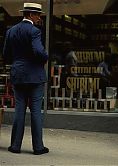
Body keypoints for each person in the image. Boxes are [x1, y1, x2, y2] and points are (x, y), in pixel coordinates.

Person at [2, 2, 49, 155]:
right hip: (35, 76)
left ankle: (15, 146)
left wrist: (17, 63)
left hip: (18, 74)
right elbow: (39, 52)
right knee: (36, 111)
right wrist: (45, 57)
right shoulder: (34, 31)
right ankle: (38, 147)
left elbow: (5, 55)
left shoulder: (11, 31)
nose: (39, 18)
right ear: (30, 15)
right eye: (38, 15)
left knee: (19, 110)